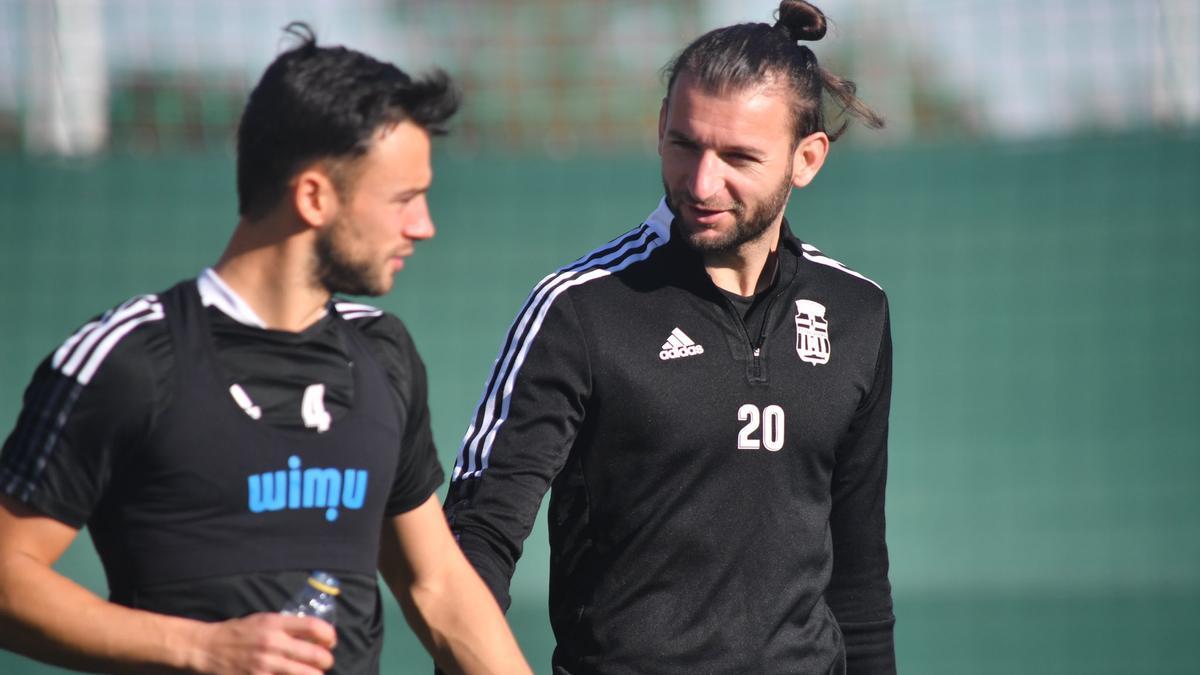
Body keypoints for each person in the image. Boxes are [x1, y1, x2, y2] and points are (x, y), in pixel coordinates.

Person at [0, 23, 531, 675]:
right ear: (313, 196)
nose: (424, 225)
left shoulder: (381, 351)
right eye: (404, 200)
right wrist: (199, 647)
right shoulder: (129, 358)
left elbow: (439, 588)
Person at [443, 1, 894, 673]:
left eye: (739, 156)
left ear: (807, 158)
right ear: (660, 128)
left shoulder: (857, 311)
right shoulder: (579, 308)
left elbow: (856, 577)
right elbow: (476, 541)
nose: (703, 182)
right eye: (685, 144)